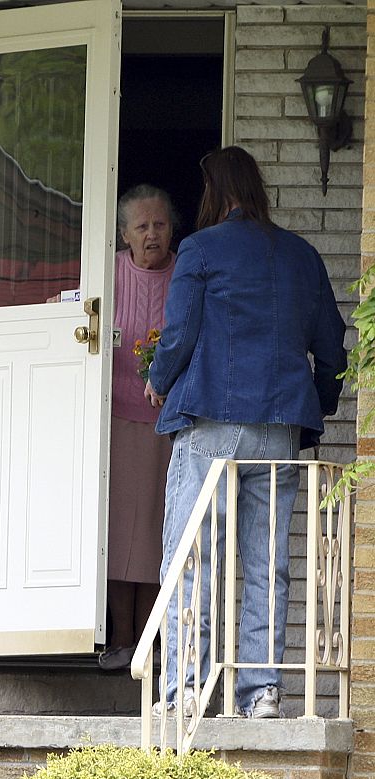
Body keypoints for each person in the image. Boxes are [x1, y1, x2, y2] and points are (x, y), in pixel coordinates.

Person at [145, 146, 347, 718]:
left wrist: (159, 381)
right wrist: (317, 406)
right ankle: (262, 692)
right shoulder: (303, 256)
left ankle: (186, 688)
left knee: (193, 557)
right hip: (280, 432)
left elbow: (179, 332)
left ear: (213, 192)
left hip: (213, 425)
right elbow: (333, 350)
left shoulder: (200, 249)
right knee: (266, 562)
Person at [98, 184, 177, 670]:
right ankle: (118, 639)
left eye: (161, 224)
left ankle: (148, 644)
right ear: (125, 233)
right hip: (115, 420)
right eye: (142, 226)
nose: (152, 234)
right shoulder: (106, 272)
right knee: (113, 532)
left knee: (153, 533)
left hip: (165, 425)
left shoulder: (185, 275)